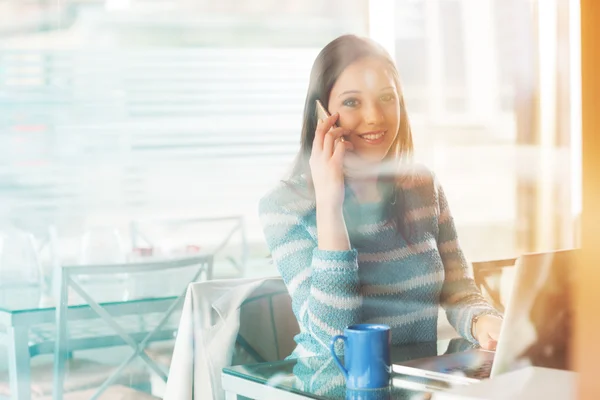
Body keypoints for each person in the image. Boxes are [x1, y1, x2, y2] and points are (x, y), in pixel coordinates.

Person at [259, 34, 502, 359]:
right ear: (321, 113)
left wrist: (484, 321)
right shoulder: (284, 206)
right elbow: (337, 340)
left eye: (386, 97)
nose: (375, 116)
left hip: (416, 386)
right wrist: (330, 206)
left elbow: (459, 291)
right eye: (352, 102)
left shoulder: (423, 186)